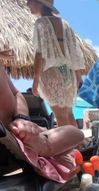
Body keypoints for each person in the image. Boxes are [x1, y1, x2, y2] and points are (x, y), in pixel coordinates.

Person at [1, 54, 83, 182]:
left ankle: (44, 145)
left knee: (75, 133)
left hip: (20, 129)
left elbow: (17, 94)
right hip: (8, 142)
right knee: (73, 134)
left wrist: (22, 117)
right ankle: (43, 146)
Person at [27, 0, 85, 128]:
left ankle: (67, 148)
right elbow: (75, 52)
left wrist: (36, 79)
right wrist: (78, 75)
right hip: (68, 73)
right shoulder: (65, 24)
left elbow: (40, 53)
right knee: (69, 114)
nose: (27, 4)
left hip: (51, 72)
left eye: (29, 1)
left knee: (60, 116)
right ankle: (76, 146)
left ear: (39, 3)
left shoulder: (41, 23)